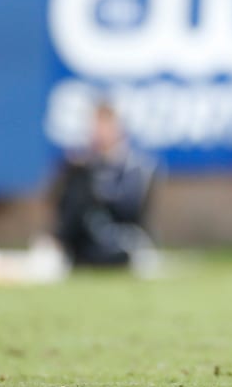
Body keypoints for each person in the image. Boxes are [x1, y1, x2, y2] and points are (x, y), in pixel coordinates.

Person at [52, 101, 158, 268]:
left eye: (104, 126)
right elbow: (63, 202)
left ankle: (58, 244)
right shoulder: (86, 165)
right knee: (77, 183)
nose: (99, 133)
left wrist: (97, 191)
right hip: (86, 232)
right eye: (96, 127)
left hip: (118, 234)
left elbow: (129, 207)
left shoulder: (134, 165)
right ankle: (58, 243)